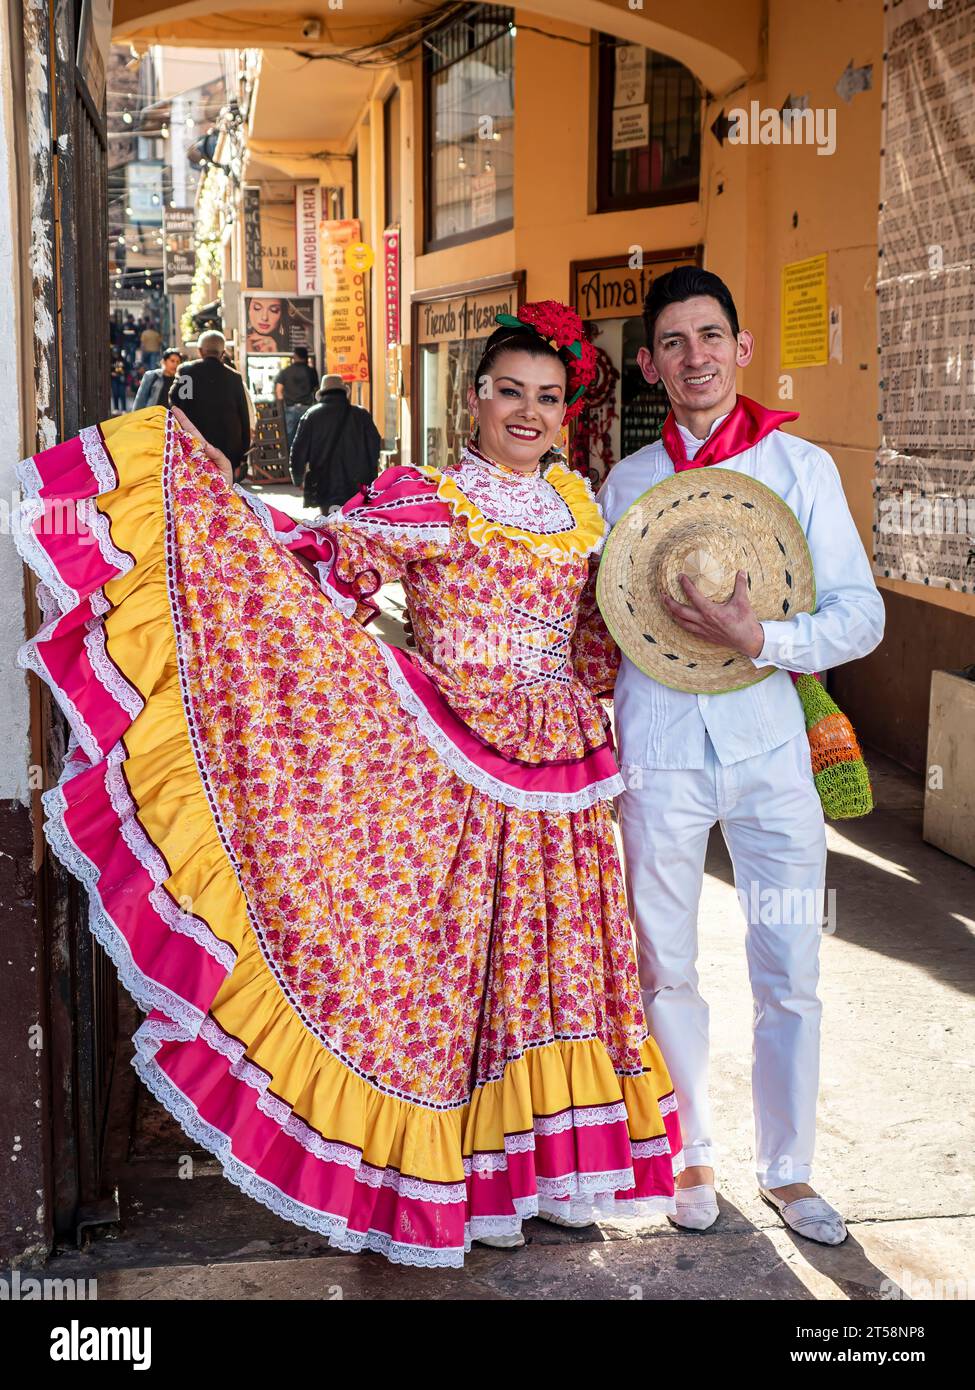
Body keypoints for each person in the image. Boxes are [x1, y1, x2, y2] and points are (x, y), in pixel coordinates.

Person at [13, 300, 683, 1268]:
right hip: (453, 764)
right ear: (475, 400)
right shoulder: (430, 497)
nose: (530, 415)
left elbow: (594, 639)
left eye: (548, 397)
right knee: (453, 982)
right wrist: (230, 538)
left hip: (564, 780)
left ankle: (547, 1172)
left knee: (555, 972)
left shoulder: (583, 510)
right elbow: (327, 574)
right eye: (511, 394)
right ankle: (453, 1169)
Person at [597, 267, 885, 1244]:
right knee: (664, 966)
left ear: (742, 347)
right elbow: (600, 631)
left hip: (770, 751)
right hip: (659, 750)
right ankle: (692, 1152)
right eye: (673, 342)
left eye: (710, 335)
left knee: (790, 964)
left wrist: (763, 637)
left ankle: (792, 1171)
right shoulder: (625, 485)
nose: (695, 356)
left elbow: (861, 615)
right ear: (649, 365)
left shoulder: (801, 470)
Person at [290, 372, 381, 511]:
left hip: (324, 484)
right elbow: (374, 445)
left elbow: (298, 450)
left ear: (323, 393)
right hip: (358, 485)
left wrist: (297, 477)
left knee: (330, 525)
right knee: (355, 525)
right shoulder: (361, 415)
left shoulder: (312, 416)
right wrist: (371, 472)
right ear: (344, 393)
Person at [172, 330, 251, 478]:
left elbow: (178, 404)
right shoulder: (234, 378)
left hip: (195, 445)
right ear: (223, 353)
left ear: (200, 351)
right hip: (228, 450)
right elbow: (243, 416)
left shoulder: (187, 372)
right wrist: (242, 452)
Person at [274, 346, 318, 448]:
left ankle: (291, 459)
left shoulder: (286, 371)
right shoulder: (311, 371)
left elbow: (278, 390)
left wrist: (282, 406)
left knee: (290, 436)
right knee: (307, 435)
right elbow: (316, 390)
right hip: (307, 408)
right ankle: (305, 459)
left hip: (290, 408)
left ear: (295, 356)